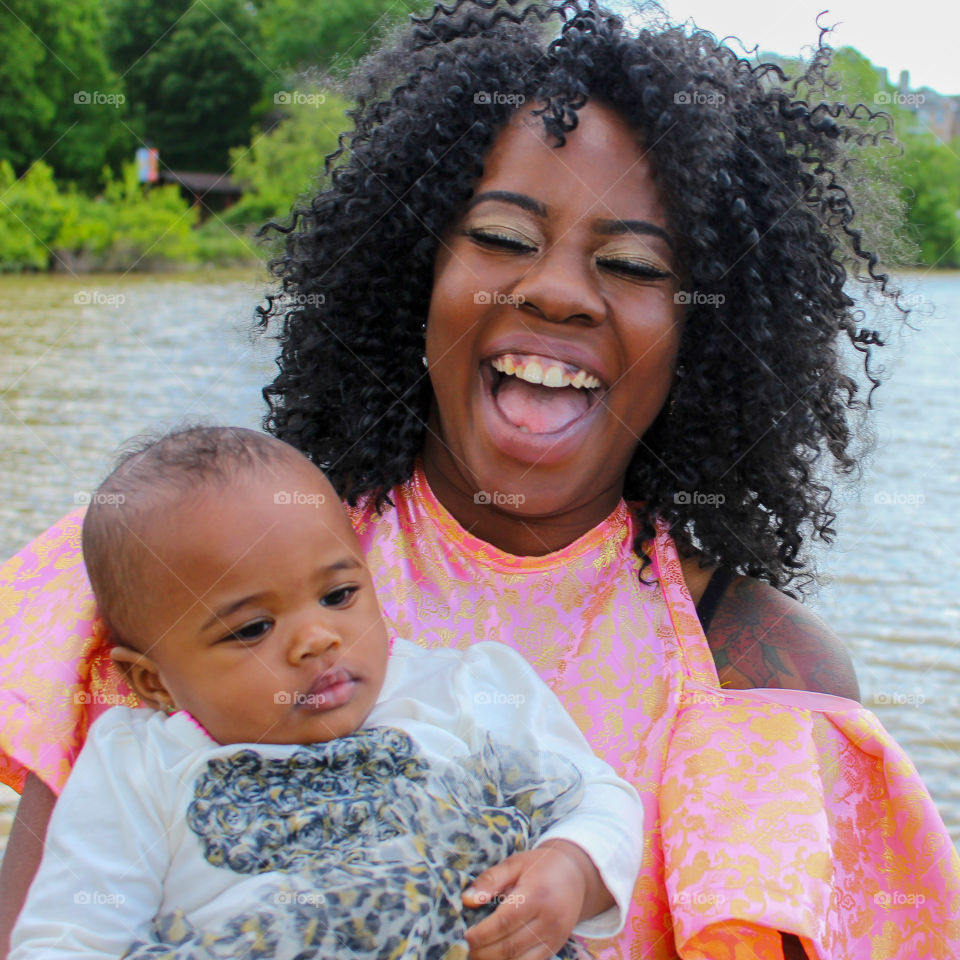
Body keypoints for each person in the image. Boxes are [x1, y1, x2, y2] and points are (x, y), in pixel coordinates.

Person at [1, 1, 959, 958]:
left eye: (630, 263)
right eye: (502, 240)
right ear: (415, 270)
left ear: (703, 333)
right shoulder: (179, 569)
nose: (554, 290)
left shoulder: (753, 672)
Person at [10, 425, 644, 960]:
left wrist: (572, 867)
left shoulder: (465, 689)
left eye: (339, 595)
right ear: (153, 681)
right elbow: (69, 935)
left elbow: (597, 799)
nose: (316, 638)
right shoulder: (139, 766)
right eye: (253, 628)